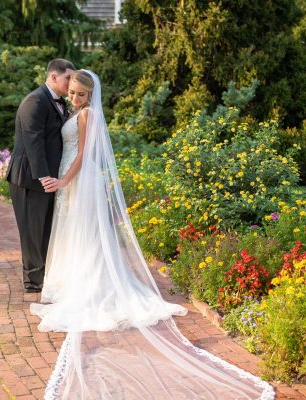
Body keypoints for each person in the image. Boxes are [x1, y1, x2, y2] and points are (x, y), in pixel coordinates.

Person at [30, 70, 275, 399]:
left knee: (82, 232)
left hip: (77, 178)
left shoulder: (87, 115)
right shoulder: (76, 111)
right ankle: (72, 281)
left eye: (80, 95)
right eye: (72, 93)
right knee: (70, 231)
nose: (75, 99)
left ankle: (87, 285)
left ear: (91, 97)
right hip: (68, 178)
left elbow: (84, 155)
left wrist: (64, 180)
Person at [5, 59, 75, 293]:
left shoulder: (60, 102)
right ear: (53, 77)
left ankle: (43, 278)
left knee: (45, 229)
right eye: (68, 78)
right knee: (32, 231)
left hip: (49, 178)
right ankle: (33, 283)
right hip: (29, 178)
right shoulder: (34, 101)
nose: (70, 82)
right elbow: (32, 141)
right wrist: (44, 176)